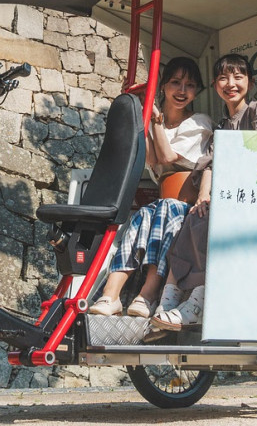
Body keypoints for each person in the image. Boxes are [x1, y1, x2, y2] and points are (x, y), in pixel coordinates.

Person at [151, 52, 257, 330]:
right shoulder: (222, 127)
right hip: (229, 199)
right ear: (215, 85)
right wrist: (203, 196)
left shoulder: (254, 110)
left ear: (249, 83)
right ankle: (169, 297)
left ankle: (198, 302)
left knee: (207, 225)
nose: (231, 83)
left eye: (238, 77)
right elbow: (210, 165)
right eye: (224, 78)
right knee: (192, 219)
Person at [88, 57, 213, 317]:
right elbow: (153, 160)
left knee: (166, 212)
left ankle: (148, 294)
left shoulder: (199, 122)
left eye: (189, 85)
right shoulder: (156, 124)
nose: (181, 91)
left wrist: (155, 119)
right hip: (166, 203)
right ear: (164, 86)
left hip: (187, 207)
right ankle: (110, 295)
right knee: (141, 217)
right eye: (175, 83)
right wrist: (144, 112)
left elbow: (167, 157)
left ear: (197, 91)